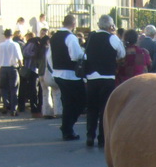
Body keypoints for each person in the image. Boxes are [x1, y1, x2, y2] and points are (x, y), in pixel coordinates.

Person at [84, 15, 124, 148]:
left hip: (91, 77)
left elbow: (85, 54)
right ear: (110, 26)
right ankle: (102, 137)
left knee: (92, 108)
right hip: (107, 76)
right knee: (104, 109)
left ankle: (90, 135)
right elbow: (121, 54)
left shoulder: (91, 38)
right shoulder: (112, 38)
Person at [49, 14, 85, 140]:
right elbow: (75, 55)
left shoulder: (54, 37)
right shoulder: (70, 37)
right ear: (74, 24)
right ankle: (67, 127)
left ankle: (66, 127)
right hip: (71, 74)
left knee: (68, 102)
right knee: (80, 102)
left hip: (58, 73)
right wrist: (84, 56)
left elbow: (49, 56)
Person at [0, 28, 23, 116]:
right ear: (12, 35)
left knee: (4, 88)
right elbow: (20, 58)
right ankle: (13, 109)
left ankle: (6, 105)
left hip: (3, 68)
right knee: (14, 89)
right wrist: (21, 66)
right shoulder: (15, 45)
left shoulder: (0, 45)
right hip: (12, 68)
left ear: (4, 35)